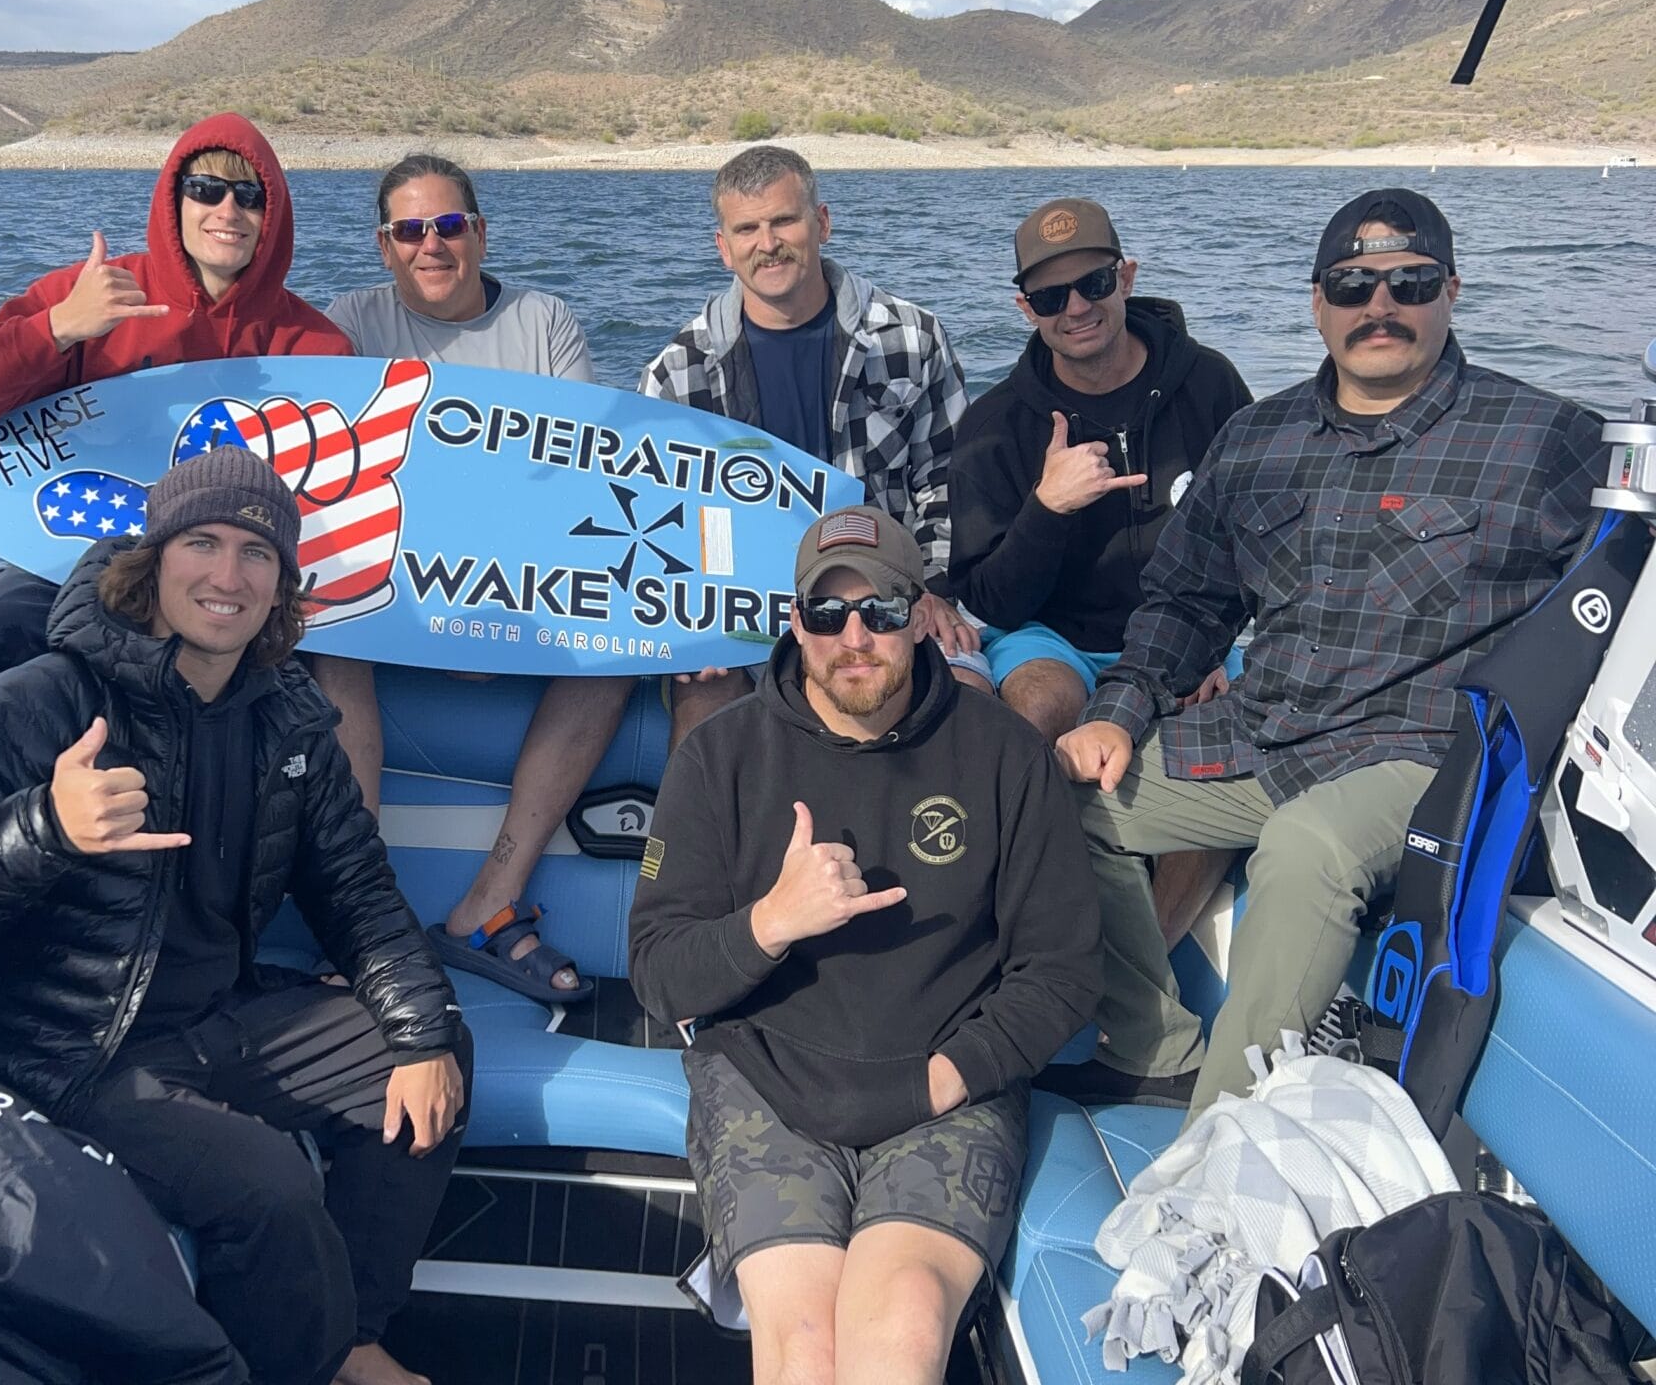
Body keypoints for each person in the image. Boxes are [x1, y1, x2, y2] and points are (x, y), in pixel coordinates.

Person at [0, 448, 469, 1385]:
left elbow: (358, 891)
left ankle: (351, 1340)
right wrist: (46, 828)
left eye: (257, 555)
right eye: (203, 543)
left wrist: (420, 1029)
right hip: (51, 1052)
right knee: (270, 1189)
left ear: (283, 587)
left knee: (428, 1051)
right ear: (151, 562)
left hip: (206, 1020)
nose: (228, 576)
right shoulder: (47, 698)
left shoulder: (290, 719)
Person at [1046, 189, 1607, 1121]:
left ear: (1451, 291)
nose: (1378, 305)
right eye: (1352, 284)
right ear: (1318, 303)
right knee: (1054, 796)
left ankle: (1214, 1154)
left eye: (1409, 282)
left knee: (1305, 849)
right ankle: (1158, 1047)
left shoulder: (1548, 441)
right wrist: (1118, 712)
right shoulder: (1256, 438)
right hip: (1270, 731)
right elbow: (1185, 604)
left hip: (1421, 755)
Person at [630, 504, 1102, 1385]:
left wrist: (949, 1073)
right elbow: (659, 972)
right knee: (802, 1347)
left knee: (901, 1331)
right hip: (768, 1078)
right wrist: (773, 920)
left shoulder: (1003, 755)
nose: (856, 636)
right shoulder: (719, 756)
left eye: (882, 610)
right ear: (793, 621)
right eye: (827, 612)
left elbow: (1064, 969)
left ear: (921, 616)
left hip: (944, 1083)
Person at [0, 113, 353, 695]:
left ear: (273, 215)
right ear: (174, 200)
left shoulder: (316, 346)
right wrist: (57, 327)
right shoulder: (96, 295)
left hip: (234, 571)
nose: (227, 211)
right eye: (205, 190)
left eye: (249, 196)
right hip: (98, 552)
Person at [320, 150, 619, 1001]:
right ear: (385, 246)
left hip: (514, 578)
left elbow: (582, 477)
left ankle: (489, 903)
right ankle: (361, 910)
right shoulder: (350, 324)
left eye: (448, 226)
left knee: (620, 650)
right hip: (400, 590)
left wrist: (492, 604)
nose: (432, 245)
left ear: (480, 234)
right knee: (330, 636)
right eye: (410, 231)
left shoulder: (544, 321)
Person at [946, 197, 1251, 947]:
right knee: (1033, 708)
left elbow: (1265, 537)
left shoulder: (1209, 385)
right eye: (1052, 297)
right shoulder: (994, 427)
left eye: (1095, 284)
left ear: (1129, 277)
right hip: (1058, 635)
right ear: (1026, 309)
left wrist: (1216, 646)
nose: (1077, 308)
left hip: (1194, 636)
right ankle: (1003, 932)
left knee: (1218, 737)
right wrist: (1048, 508)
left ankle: (1151, 957)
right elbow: (990, 599)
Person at [641, 145, 987, 747]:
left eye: (784, 221)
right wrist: (685, 625)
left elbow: (947, 479)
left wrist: (932, 589)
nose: (767, 243)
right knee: (703, 711)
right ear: (723, 247)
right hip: (745, 620)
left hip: (888, 605)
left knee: (967, 699)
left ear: (820, 223)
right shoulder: (677, 374)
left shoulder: (911, 338)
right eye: (746, 229)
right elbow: (657, 517)